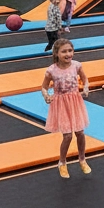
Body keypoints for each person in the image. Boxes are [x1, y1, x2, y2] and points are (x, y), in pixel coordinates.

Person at [41, 38, 91, 177]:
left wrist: (86, 87)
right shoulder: (52, 70)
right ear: (56, 53)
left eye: (70, 51)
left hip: (75, 101)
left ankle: (82, 159)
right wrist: (46, 96)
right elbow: (44, 87)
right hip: (61, 104)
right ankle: (62, 162)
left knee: (80, 133)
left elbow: (85, 79)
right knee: (67, 136)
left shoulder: (76, 65)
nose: (68, 54)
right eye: (64, 52)